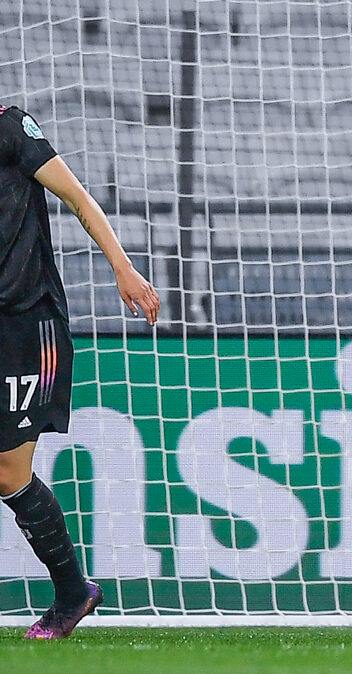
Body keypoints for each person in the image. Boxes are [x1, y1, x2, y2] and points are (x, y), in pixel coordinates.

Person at [0, 105, 160, 639]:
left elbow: (76, 197)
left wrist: (123, 266)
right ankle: (73, 591)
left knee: (7, 472)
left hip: (28, 324)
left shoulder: (8, 126)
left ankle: (72, 591)